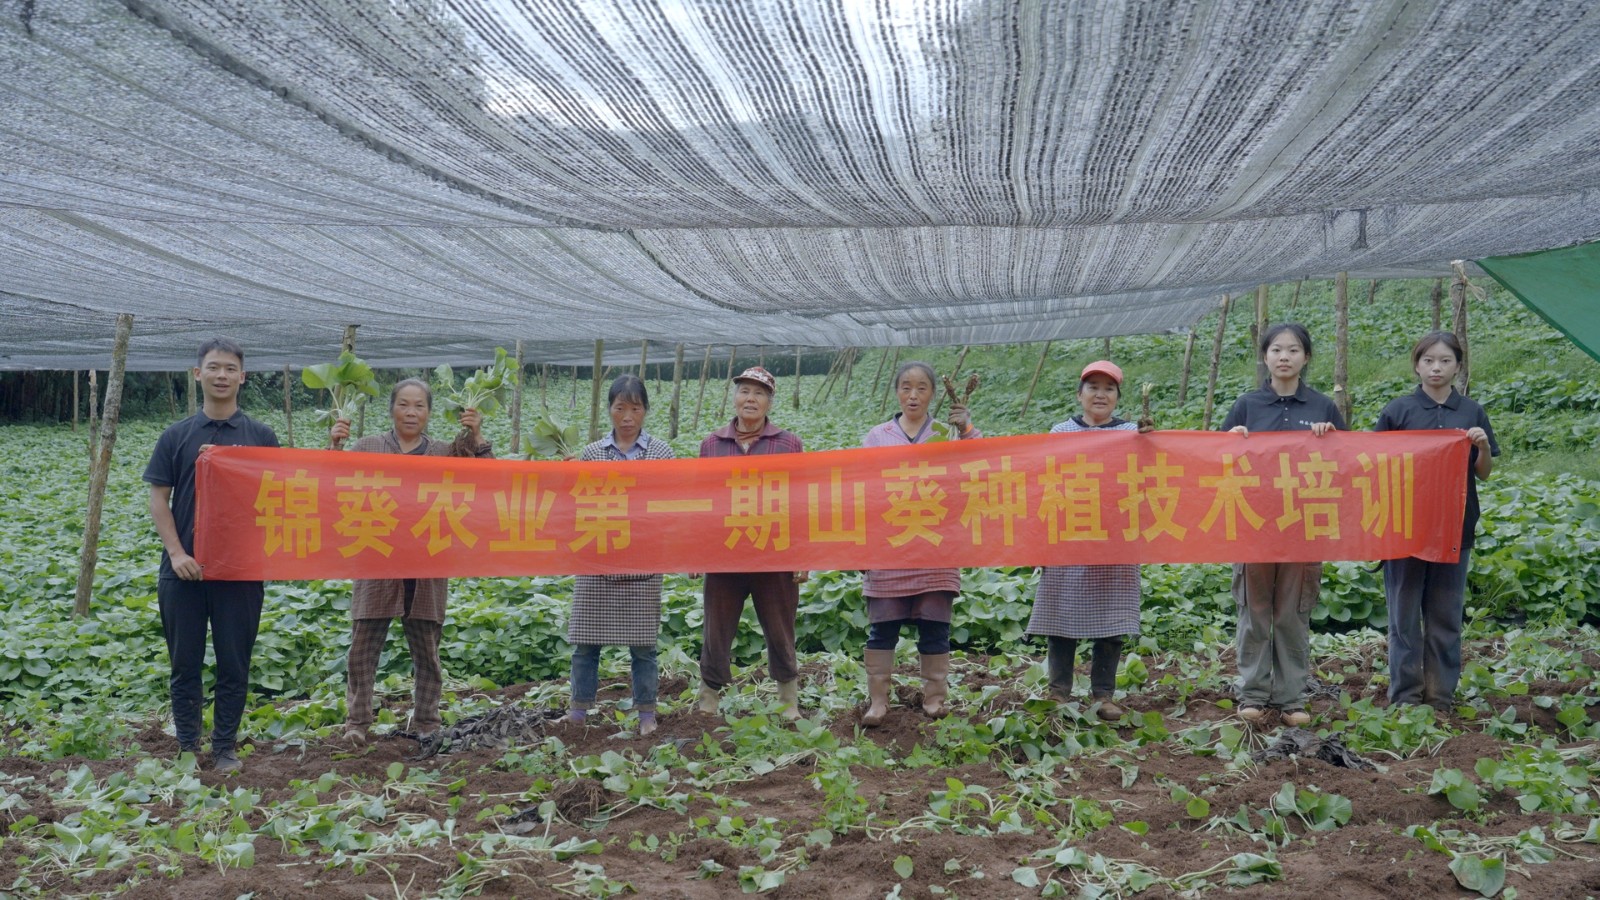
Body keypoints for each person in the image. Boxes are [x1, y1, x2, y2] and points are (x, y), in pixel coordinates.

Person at [330, 378, 492, 746]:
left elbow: (487, 479)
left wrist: (477, 435)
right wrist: (335, 446)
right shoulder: (367, 447)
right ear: (392, 409)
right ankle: (357, 722)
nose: (411, 412)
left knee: (427, 654)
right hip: (376, 563)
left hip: (427, 566)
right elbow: (331, 484)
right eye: (403, 404)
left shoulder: (446, 451)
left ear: (429, 413)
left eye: (419, 405)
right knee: (362, 651)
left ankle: (427, 722)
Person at [144, 337, 280, 772]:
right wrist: (177, 552)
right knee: (184, 665)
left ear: (242, 377)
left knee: (234, 664)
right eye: (213, 368)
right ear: (198, 374)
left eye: (230, 369)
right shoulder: (176, 435)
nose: (222, 376)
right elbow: (158, 499)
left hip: (239, 573)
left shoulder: (260, 437)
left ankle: (223, 748)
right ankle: (187, 747)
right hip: (183, 572)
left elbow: (281, 496)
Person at [1221, 323, 1346, 727]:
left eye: (1293, 350)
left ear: (1306, 358)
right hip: (1254, 522)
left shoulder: (1323, 408)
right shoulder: (1246, 405)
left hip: (1303, 525)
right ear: (1265, 357)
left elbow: (1348, 465)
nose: (1284, 357)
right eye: (1276, 350)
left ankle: (1292, 698)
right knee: (1254, 611)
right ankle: (1253, 694)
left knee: (1293, 612)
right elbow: (1215, 462)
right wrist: (1232, 439)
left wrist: (1329, 439)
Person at [1375, 331, 1498, 709]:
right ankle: (1406, 697)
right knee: (1404, 618)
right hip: (1405, 529)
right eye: (1428, 360)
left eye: (1445, 360)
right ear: (1416, 365)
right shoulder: (1398, 411)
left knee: (1445, 615)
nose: (1436, 368)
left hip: (1454, 528)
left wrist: (1479, 447)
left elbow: (1484, 473)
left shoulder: (1471, 412)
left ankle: (1440, 695)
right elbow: (1374, 465)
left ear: (1458, 366)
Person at [1026, 360, 1151, 721]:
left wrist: (1150, 442)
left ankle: (1104, 695)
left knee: (1112, 619)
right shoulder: (1061, 431)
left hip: (1115, 539)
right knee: (1060, 615)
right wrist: (1041, 538)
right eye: (1093, 387)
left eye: (1109, 388)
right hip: (1069, 536)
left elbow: (1151, 475)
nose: (1100, 394)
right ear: (1079, 394)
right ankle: (1058, 690)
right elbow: (1042, 480)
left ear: (1117, 398)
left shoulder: (1132, 432)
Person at [857, 361, 979, 726]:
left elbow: (981, 462)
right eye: (906, 387)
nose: (913, 394)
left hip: (936, 546)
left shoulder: (946, 433)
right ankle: (878, 703)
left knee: (935, 627)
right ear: (896, 391)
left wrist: (967, 427)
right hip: (889, 545)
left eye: (922, 387)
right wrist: (861, 547)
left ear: (933, 394)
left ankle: (934, 700)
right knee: (883, 628)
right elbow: (861, 492)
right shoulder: (877, 436)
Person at [696, 366, 806, 720]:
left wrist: (802, 554)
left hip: (774, 556)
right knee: (716, 630)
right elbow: (702, 501)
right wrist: (695, 552)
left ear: (770, 402)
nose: (750, 399)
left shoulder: (788, 444)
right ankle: (708, 699)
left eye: (759, 394)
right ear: (735, 397)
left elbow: (801, 501)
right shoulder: (712, 444)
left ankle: (788, 699)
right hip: (723, 556)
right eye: (745, 391)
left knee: (780, 628)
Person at [569, 375, 676, 736]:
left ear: (645, 410)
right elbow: (577, 504)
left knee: (644, 647)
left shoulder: (661, 454)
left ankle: (646, 713)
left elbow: (671, 507)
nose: (627, 416)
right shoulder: (592, 453)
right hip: (598, 559)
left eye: (635, 408)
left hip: (643, 562)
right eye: (620, 408)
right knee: (586, 644)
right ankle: (578, 713)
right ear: (609, 410)